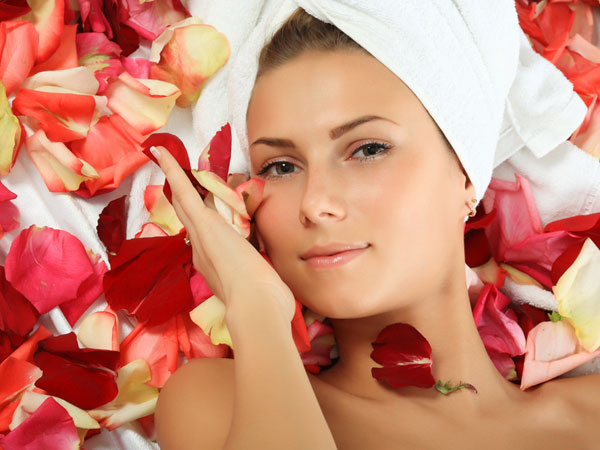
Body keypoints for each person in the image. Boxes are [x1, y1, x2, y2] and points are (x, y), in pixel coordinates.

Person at [153, 7, 599, 450]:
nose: (315, 204)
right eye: (281, 166)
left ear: (466, 173)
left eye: (368, 149)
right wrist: (254, 306)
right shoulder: (215, 404)